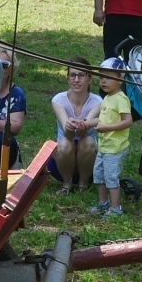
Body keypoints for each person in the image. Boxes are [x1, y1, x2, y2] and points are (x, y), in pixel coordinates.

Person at [91, 58, 134, 217]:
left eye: (108, 77)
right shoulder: (107, 98)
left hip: (115, 148)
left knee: (111, 177)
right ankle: (104, 203)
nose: (103, 80)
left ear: (120, 79)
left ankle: (116, 208)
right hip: (104, 146)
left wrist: (107, 128)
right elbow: (103, 120)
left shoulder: (121, 98)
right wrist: (85, 123)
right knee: (99, 176)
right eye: (101, 76)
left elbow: (128, 121)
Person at [50, 58, 100, 192]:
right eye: (72, 75)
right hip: (62, 161)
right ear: (68, 78)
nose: (76, 80)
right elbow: (68, 135)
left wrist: (83, 126)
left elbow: (83, 133)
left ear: (90, 79)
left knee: (87, 141)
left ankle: (83, 184)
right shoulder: (58, 100)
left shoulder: (97, 102)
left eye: (81, 75)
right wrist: (69, 126)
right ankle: (66, 184)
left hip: (89, 161)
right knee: (65, 143)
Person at [0, 46, 26, 172]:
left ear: (12, 69)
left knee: (2, 141)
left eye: (4, 65)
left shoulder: (16, 93)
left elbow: (15, 127)